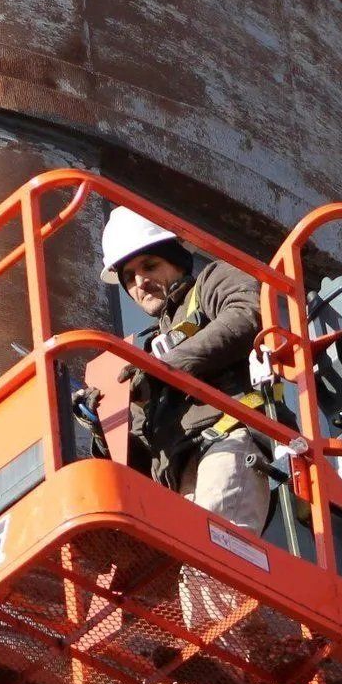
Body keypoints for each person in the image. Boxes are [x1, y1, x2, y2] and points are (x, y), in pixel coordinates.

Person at [93, 204, 272, 533]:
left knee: (217, 566)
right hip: (177, 488)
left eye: (150, 265)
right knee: (196, 582)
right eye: (129, 277)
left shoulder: (210, 283)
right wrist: (101, 427)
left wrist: (166, 367)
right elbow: (138, 462)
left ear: (176, 260)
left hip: (225, 445)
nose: (140, 282)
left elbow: (248, 315)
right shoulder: (145, 355)